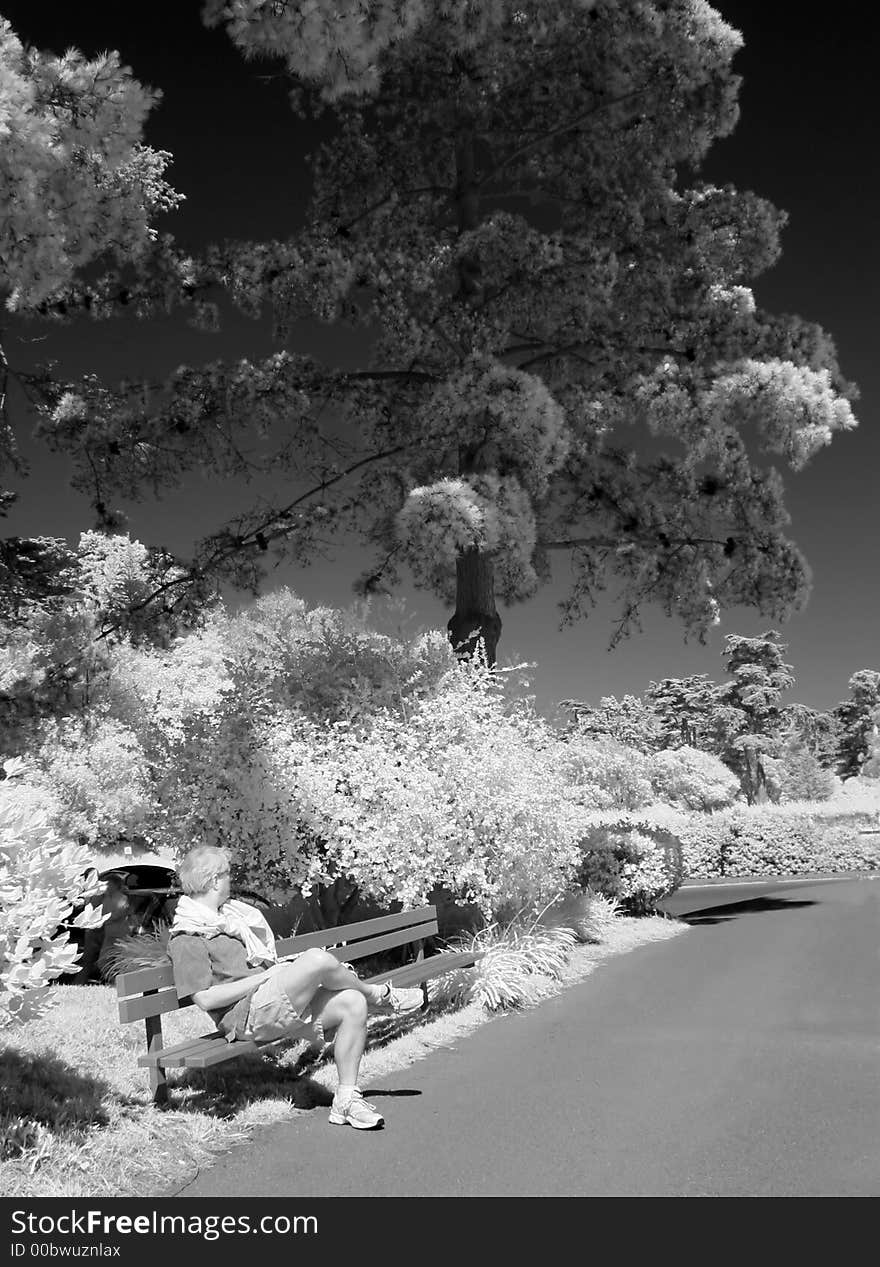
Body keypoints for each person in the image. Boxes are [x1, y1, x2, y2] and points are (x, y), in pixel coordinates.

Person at [167, 844, 425, 1130]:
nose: (231, 880)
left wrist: (274, 974)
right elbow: (205, 999)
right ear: (214, 880)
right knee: (316, 958)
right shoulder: (187, 936)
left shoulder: (228, 920)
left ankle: (347, 1100)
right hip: (248, 1016)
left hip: (272, 1001)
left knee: (353, 1002)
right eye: (227, 875)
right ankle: (380, 994)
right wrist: (264, 977)